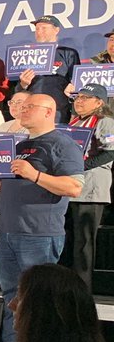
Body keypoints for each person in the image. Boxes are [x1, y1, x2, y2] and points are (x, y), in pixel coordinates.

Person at [0, 94, 83, 342]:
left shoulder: (63, 145)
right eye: (22, 106)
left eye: (30, 107)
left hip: (38, 233)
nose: (23, 110)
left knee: (39, 298)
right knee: (12, 296)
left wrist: (35, 175)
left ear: (49, 112)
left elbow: (74, 187)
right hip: (8, 231)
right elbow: (8, 189)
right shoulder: (18, 146)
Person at [61, 83, 114, 291]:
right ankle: (66, 287)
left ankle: (82, 290)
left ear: (99, 102)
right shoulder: (74, 122)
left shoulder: (105, 122)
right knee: (69, 241)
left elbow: (111, 152)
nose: (79, 101)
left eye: (85, 98)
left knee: (84, 244)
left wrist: (79, 166)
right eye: (78, 97)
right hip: (70, 189)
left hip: (91, 190)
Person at [14, 15, 80, 121]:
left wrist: (75, 113)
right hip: (32, 112)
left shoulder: (68, 53)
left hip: (58, 114)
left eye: (44, 28)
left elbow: (76, 86)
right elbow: (17, 90)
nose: (39, 32)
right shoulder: (27, 54)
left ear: (56, 30)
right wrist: (23, 84)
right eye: (37, 29)